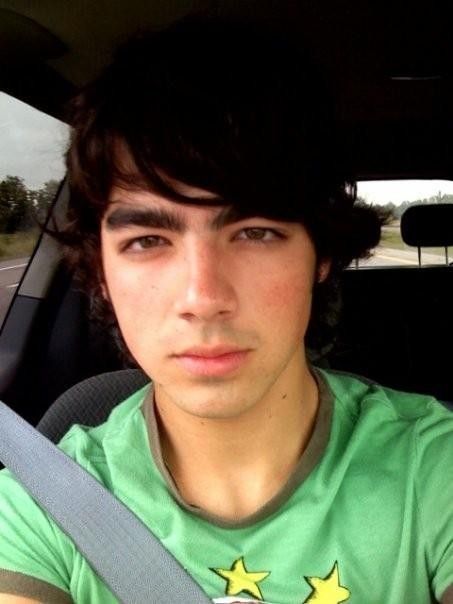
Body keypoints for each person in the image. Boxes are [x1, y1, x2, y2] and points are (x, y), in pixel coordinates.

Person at [0, 14, 452, 604]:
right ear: (102, 273)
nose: (202, 298)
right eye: (147, 241)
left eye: (256, 233)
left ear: (320, 256)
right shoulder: (43, 503)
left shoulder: (436, 468)